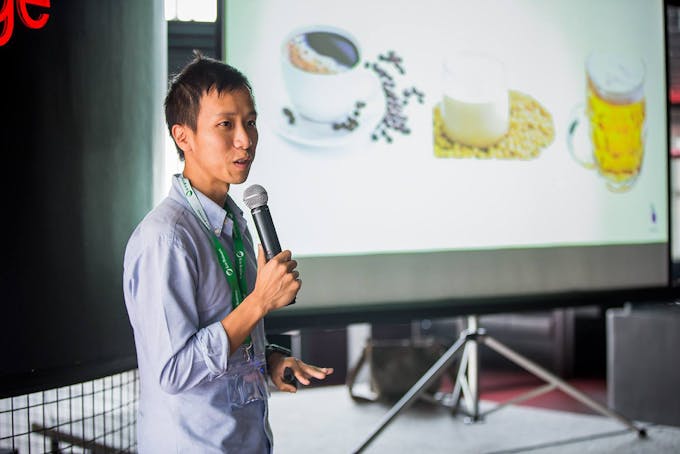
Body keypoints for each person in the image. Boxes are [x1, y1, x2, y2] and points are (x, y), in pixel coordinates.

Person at [122, 53, 334, 453]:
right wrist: (258, 303)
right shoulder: (166, 239)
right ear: (183, 137)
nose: (245, 140)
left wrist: (268, 360)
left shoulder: (234, 220)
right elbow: (174, 371)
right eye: (226, 125)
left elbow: (224, 335)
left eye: (250, 122)